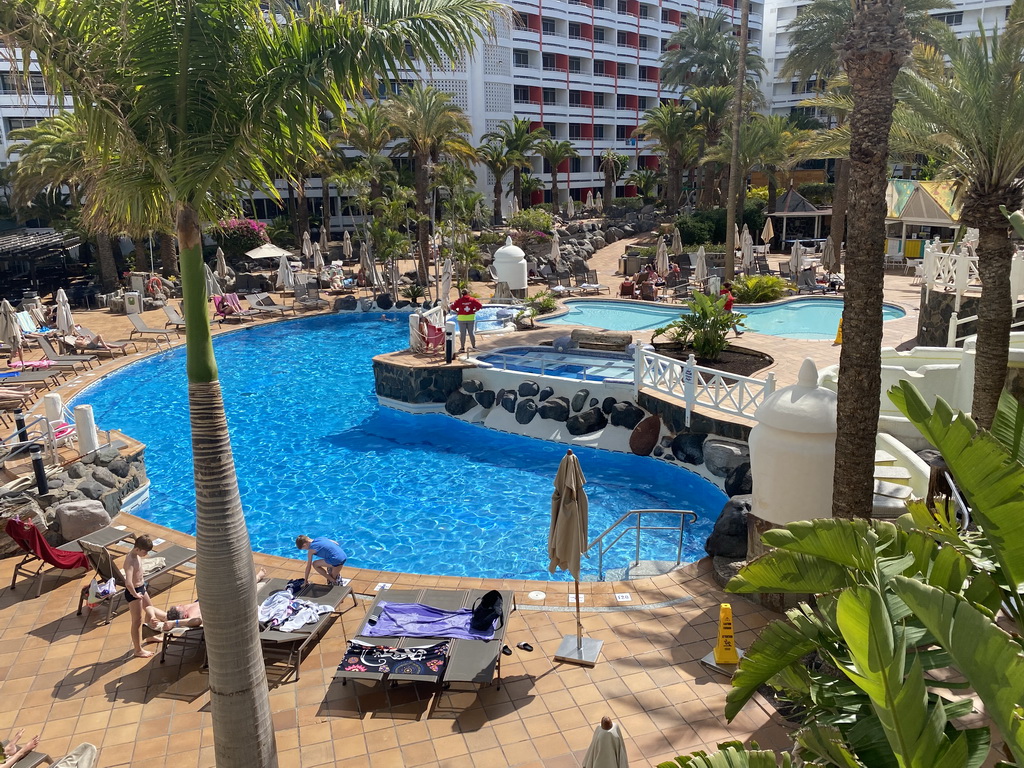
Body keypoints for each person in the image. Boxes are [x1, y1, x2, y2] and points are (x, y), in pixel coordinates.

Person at [145, 568, 266, 633]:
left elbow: (149, 608)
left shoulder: (170, 616)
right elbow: (198, 621)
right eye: (180, 607)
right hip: (219, 604)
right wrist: (174, 623)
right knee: (239, 589)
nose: (181, 604)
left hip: (206, 598)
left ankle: (255, 577)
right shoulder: (190, 617)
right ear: (185, 614)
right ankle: (257, 577)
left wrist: (151, 617)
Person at [123, 535, 155, 658]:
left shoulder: (137, 554)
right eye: (145, 552)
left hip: (141, 588)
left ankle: (150, 636)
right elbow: (128, 583)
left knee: (150, 610)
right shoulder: (130, 560)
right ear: (137, 549)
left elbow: (139, 541)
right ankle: (138, 649)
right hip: (134, 592)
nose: (146, 554)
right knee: (137, 621)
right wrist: (135, 594)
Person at [450, 288, 483, 353]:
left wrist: (457, 311)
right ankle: (474, 347)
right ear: (468, 293)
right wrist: (475, 310)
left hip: (461, 318)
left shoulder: (459, 300)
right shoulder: (472, 300)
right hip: (470, 318)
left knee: (462, 334)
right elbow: (480, 305)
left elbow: (452, 307)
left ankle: (462, 348)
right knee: (471, 333)